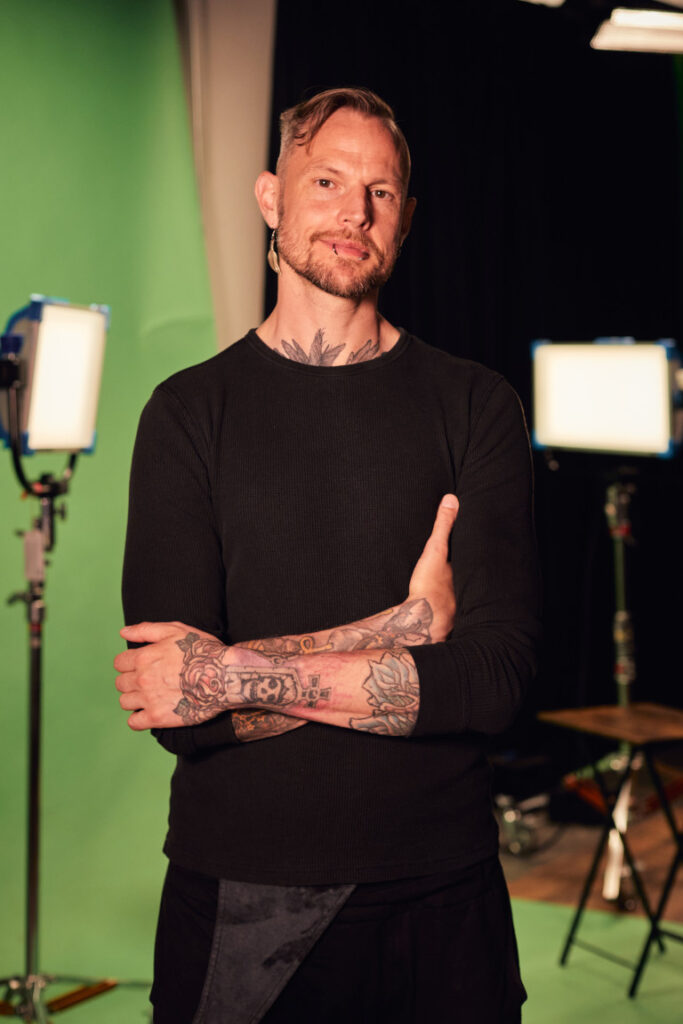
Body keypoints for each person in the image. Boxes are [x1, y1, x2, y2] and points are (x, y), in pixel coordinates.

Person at [115, 87, 540, 1023]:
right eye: (327, 181)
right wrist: (406, 630)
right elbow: (177, 711)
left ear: (406, 218)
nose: (354, 212)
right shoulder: (187, 414)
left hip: (443, 890)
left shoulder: (477, 406)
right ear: (271, 197)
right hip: (243, 890)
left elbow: (494, 681)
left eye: (379, 192)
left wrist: (227, 674)